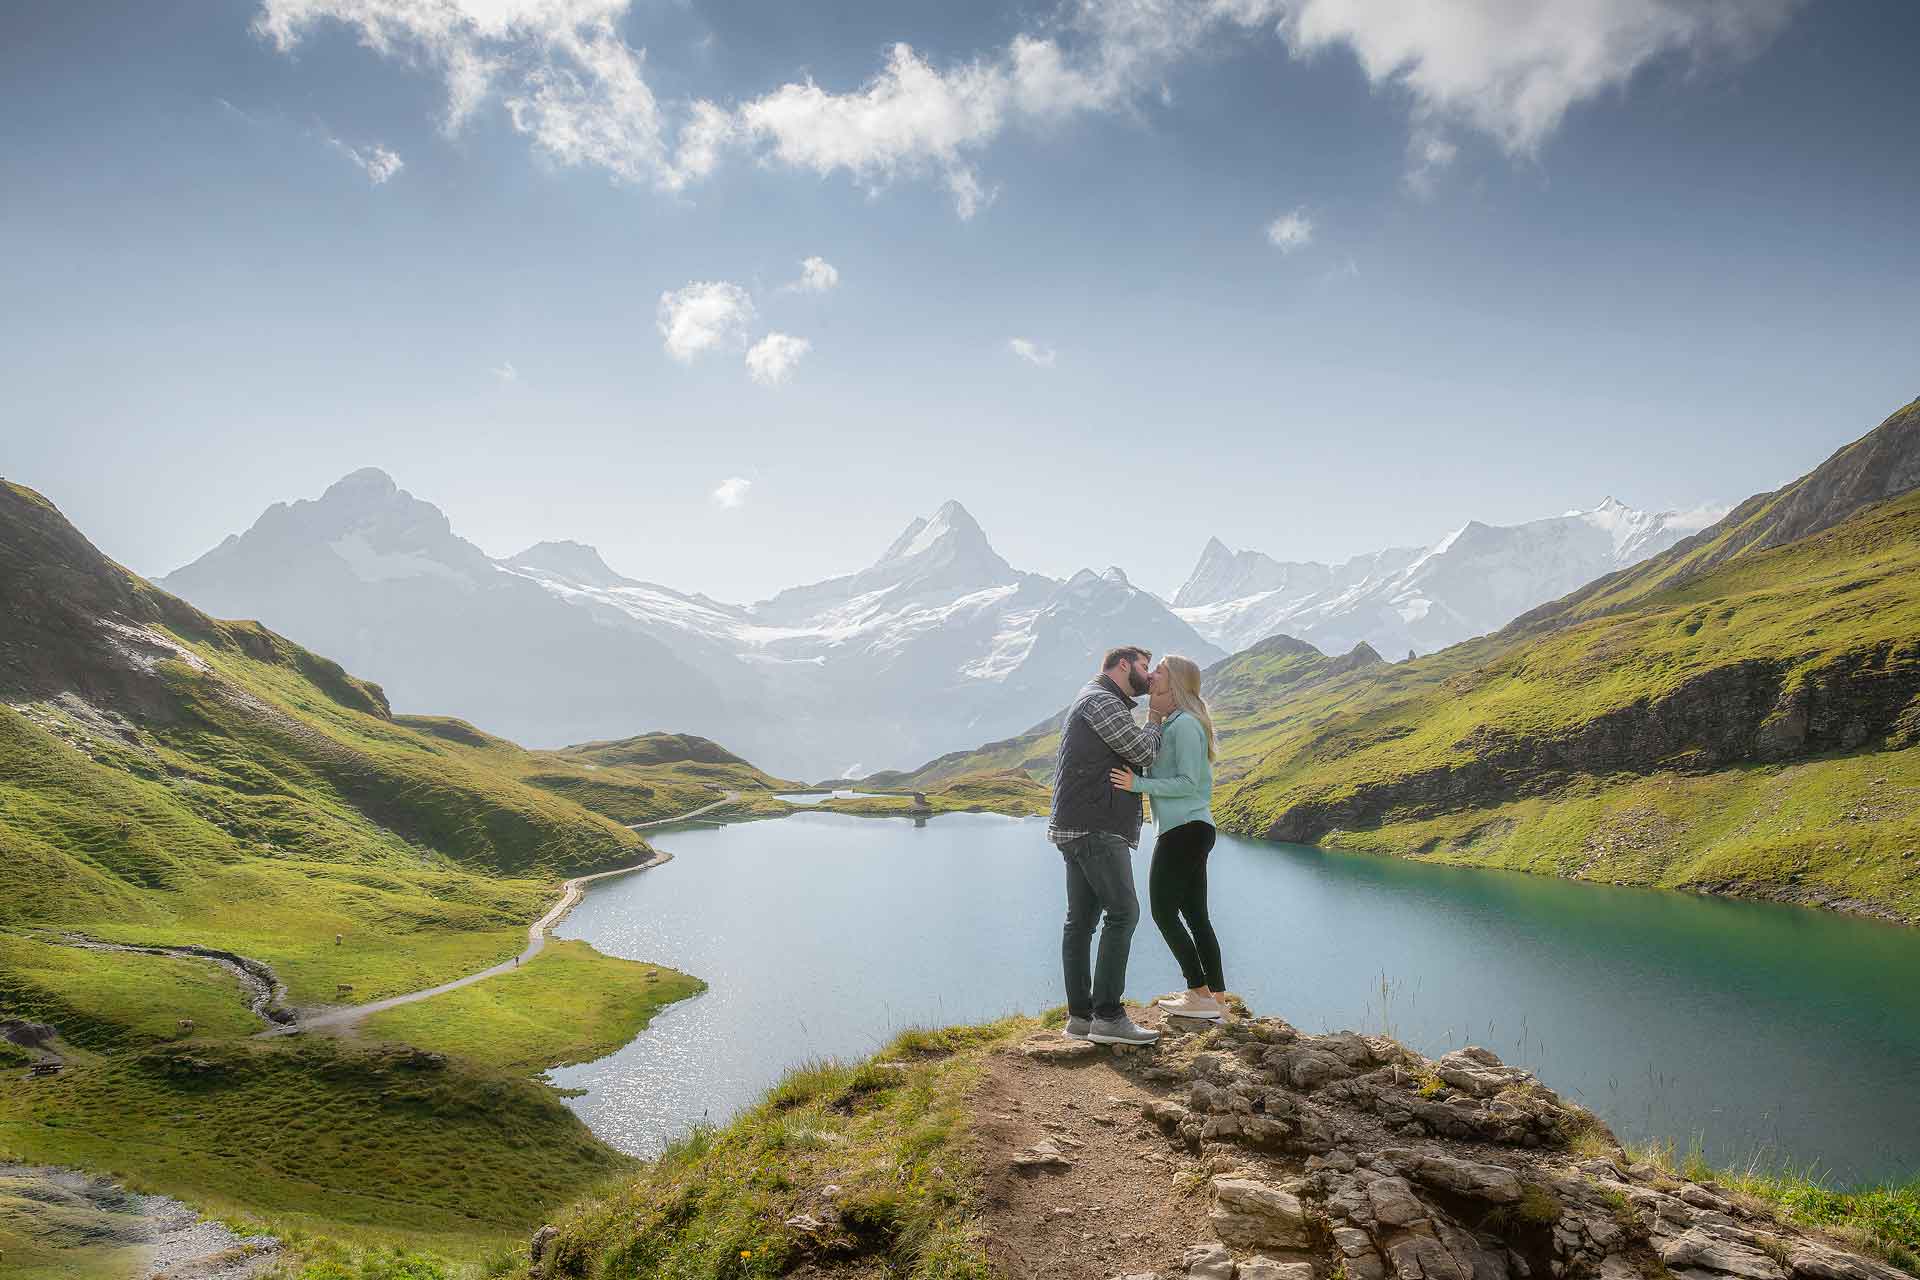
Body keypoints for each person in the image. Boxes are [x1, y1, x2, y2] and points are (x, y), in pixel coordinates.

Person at [1048, 645, 1165, 1046]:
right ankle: (1109, 1017)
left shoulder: (1094, 699)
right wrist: (1156, 717)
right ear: (1122, 665)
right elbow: (1143, 752)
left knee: (1080, 921)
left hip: (1076, 825)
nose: (1148, 676)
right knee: (1124, 912)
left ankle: (1081, 1018)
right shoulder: (1102, 702)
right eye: (1144, 667)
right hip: (1096, 825)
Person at [1110, 654, 1225, 1021]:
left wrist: (1137, 784)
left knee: (1162, 911)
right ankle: (1217, 999)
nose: (1152, 675)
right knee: (1195, 914)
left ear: (1173, 682)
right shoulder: (1174, 723)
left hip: (1184, 829)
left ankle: (1198, 994)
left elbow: (1189, 783)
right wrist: (1154, 720)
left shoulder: (1187, 725)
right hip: (1191, 828)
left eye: (1158, 669)